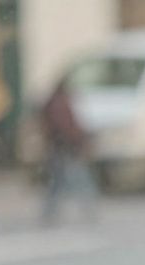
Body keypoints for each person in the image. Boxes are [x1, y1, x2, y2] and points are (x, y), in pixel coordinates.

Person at [40, 78, 98, 226]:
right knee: (78, 180)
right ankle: (89, 209)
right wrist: (80, 141)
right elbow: (67, 127)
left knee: (57, 183)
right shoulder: (60, 104)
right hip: (66, 148)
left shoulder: (54, 103)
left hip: (59, 147)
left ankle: (50, 212)